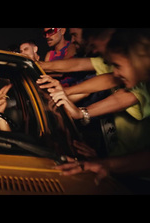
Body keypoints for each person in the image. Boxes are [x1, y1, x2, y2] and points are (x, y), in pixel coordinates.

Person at [50, 29, 150, 190]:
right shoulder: (129, 73)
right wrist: (103, 161)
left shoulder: (141, 86)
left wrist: (82, 113)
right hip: (123, 169)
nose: (115, 73)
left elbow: (126, 96)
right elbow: (109, 79)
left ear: (135, 59)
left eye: (117, 66)